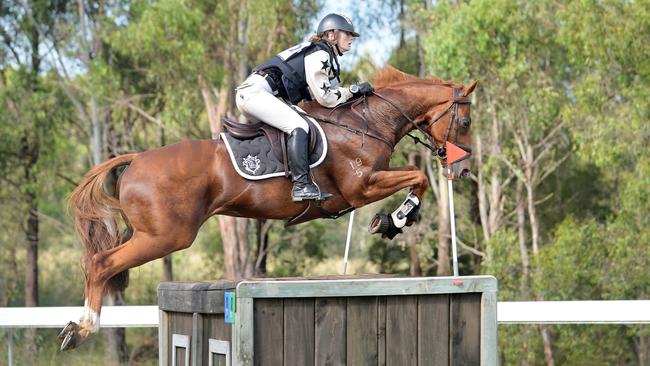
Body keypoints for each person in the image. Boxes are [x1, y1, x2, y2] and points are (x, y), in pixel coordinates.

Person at [235, 13, 374, 202]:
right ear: (331, 35)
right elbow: (326, 97)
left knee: (302, 120)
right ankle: (301, 185)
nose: (351, 38)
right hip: (255, 93)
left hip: (258, 94)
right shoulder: (320, 53)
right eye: (347, 33)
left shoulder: (322, 53)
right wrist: (354, 89)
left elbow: (320, 96)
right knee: (299, 126)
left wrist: (352, 94)